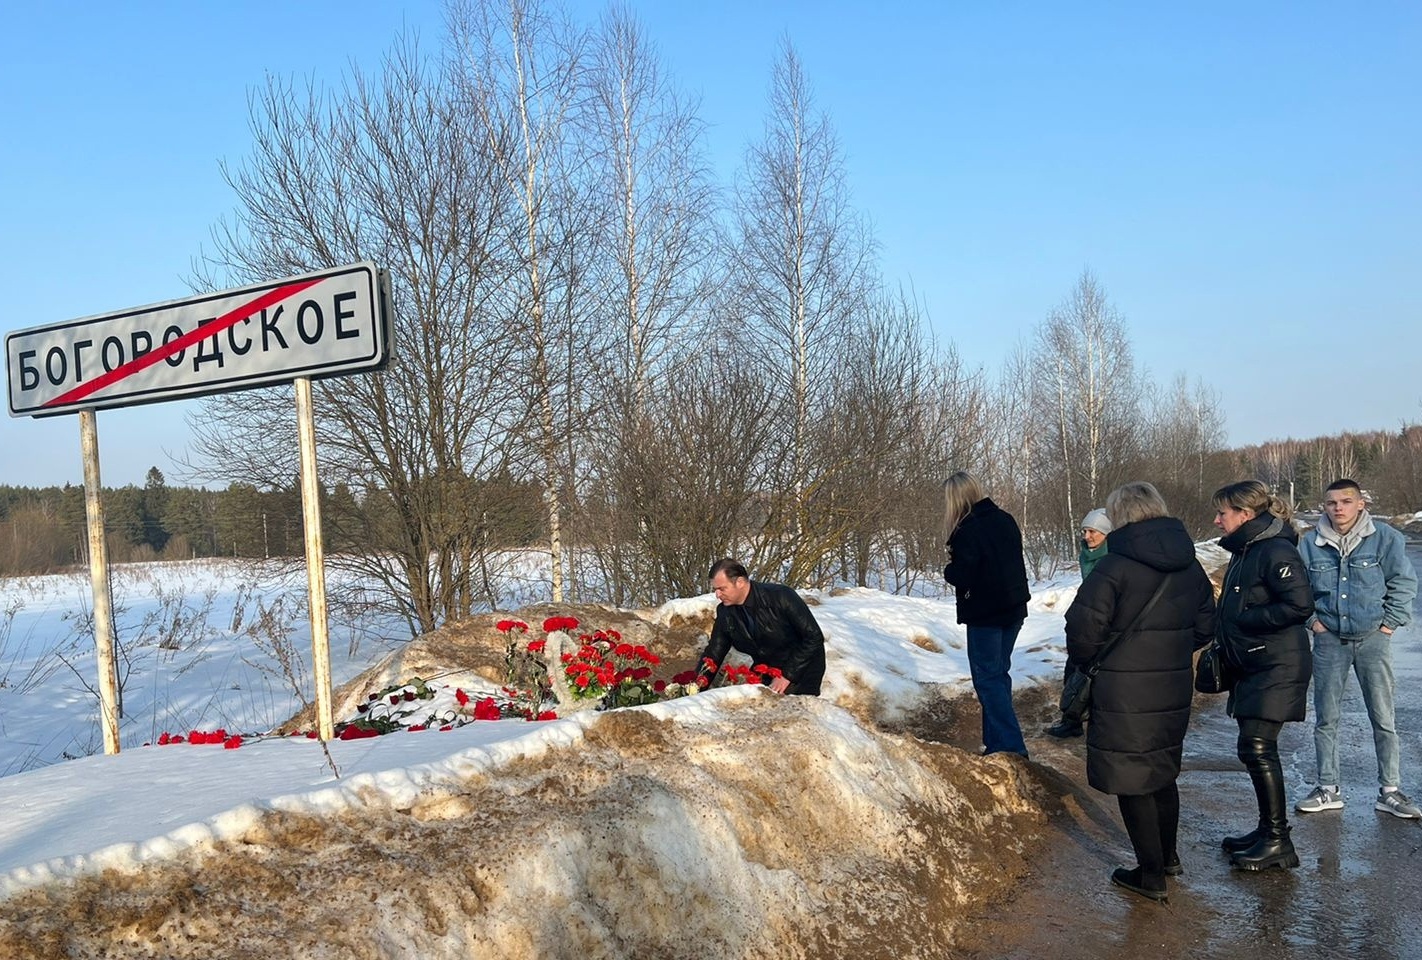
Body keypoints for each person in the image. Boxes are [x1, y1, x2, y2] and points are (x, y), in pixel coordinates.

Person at [1064, 483, 1215, 903]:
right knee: (1162, 771)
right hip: (1171, 683)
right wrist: (1170, 650)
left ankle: (1150, 875)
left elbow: (1081, 631)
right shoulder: (1191, 564)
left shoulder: (1115, 566)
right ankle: (1167, 858)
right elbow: (1206, 624)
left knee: (1133, 780)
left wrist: (1098, 660)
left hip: (1123, 688)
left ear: (1120, 517)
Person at [1295, 478, 1420, 819]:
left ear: (1361, 503)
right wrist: (1314, 624)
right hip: (1329, 640)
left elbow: (1403, 582)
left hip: (1372, 640)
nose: (1339, 508)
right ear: (1324, 506)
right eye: (1332, 502)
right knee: (1327, 717)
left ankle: (1390, 791)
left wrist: (1389, 624)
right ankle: (1327, 788)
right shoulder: (1309, 545)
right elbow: (1297, 590)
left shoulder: (1386, 539)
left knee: (1383, 717)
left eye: (1346, 501)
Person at [1212, 480, 1314, 871]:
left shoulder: (1274, 549)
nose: (1217, 520)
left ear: (1246, 515)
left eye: (1223, 512)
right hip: (1257, 663)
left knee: (1258, 748)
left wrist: (1245, 620)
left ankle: (1277, 841)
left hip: (1276, 664)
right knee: (1252, 748)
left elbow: (1299, 605)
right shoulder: (1248, 549)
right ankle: (1266, 831)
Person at [941, 470, 1030, 757]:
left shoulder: (967, 530)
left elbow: (963, 575)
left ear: (955, 499)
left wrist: (948, 569)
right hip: (1014, 609)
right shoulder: (1005, 519)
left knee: (988, 680)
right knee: (998, 675)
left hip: (986, 614)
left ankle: (1012, 748)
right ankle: (996, 746)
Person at [696, 558, 827, 695]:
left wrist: (787, 675)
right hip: (766, 669)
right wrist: (694, 689)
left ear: (740, 582)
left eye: (722, 589)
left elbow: (814, 636)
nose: (717, 595)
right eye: (715, 590)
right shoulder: (725, 612)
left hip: (802, 668)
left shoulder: (781, 596)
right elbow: (714, 653)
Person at [1047, 508, 1114, 739]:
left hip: (1105, 623)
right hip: (1086, 619)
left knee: (1095, 676)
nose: (1087, 536)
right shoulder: (1087, 554)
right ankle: (1071, 720)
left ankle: (1096, 723)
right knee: (1074, 670)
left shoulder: (1113, 556)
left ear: (1107, 533)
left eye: (1093, 531)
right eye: (1084, 531)